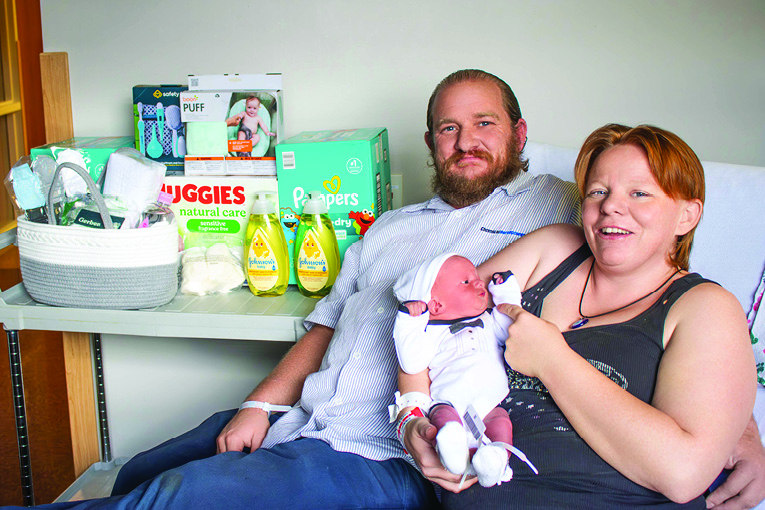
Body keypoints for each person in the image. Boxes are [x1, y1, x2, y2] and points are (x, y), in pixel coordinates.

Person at [4, 71, 761, 509]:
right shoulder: (389, 227)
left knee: (175, 501)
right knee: (140, 473)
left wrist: (738, 427)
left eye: (484, 123)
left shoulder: (559, 204)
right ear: (429, 142)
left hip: (379, 447)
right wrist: (260, 404)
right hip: (308, 415)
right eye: (445, 128)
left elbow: (662, 271)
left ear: (520, 135)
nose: (464, 141)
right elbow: (326, 326)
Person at [400, 123, 757, 509]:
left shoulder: (704, 307)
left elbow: (683, 473)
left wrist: (552, 360)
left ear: (687, 216)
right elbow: (427, 317)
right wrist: (411, 422)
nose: (610, 206)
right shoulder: (553, 249)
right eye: (597, 191)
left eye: (639, 193)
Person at [392, 254, 529, 487]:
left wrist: (506, 295)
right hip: (449, 402)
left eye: (476, 277)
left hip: (489, 404)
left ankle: (495, 460)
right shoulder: (432, 333)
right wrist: (410, 323)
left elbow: (510, 331)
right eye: (465, 282)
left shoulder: (487, 321)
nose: (478, 283)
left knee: (502, 422)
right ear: (436, 305)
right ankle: (451, 451)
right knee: (446, 423)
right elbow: (412, 363)